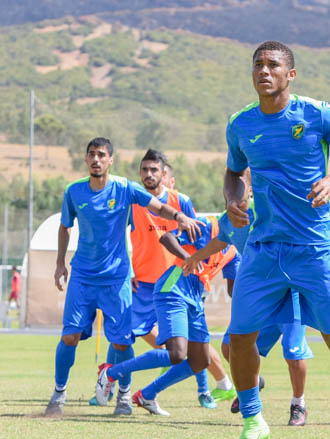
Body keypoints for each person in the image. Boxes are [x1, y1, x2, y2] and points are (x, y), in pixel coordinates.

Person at [223, 41, 330, 439]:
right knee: (238, 339)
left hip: (314, 247)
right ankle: (253, 422)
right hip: (264, 248)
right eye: (258, 65)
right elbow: (233, 172)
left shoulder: (317, 114)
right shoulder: (240, 124)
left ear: (291, 74)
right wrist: (233, 199)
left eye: (273, 65)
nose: (264, 71)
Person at [45, 137, 201, 417]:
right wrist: (59, 263)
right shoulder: (74, 191)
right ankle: (58, 394)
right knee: (69, 336)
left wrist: (179, 217)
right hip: (82, 276)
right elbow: (65, 226)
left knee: (121, 342)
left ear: (110, 160)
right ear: (86, 159)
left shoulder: (125, 188)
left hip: (116, 279)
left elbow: (157, 206)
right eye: (91, 154)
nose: (96, 159)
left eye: (101, 155)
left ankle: (125, 396)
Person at [182, 196, 314, 426]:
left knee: (293, 352)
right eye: (229, 190)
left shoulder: (268, 210)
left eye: (241, 189)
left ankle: (298, 404)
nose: (234, 195)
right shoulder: (227, 220)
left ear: (251, 191)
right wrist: (195, 258)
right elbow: (220, 242)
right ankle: (252, 385)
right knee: (230, 346)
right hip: (260, 295)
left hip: (289, 291)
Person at [116, 148, 229, 409]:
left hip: (177, 280)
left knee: (190, 343)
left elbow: (198, 237)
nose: (149, 174)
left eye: (154, 170)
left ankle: (204, 389)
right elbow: (118, 237)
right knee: (125, 335)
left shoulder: (182, 201)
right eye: (144, 169)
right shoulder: (133, 201)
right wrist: (128, 270)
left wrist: (197, 272)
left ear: (164, 174)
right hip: (143, 281)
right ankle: (115, 385)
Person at [96, 214, 237, 416]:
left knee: (200, 361)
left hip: (196, 295)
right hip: (173, 286)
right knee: (176, 353)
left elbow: (233, 289)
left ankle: (147, 395)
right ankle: (110, 373)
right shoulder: (207, 225)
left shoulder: (235, 250)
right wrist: (187, 257)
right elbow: (167, 238)